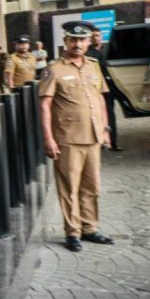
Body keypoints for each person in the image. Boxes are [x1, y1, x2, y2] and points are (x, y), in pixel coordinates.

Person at [38, 21, 115, 253]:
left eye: (82, 40)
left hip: (93, 136)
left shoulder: (93, 66)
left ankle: (89, 228)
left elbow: (100, 98)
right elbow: (45, 106)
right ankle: (73, 232)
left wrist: (105, 129)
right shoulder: (54, 69)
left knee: (92, 186)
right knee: (69, 187)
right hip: (68, 138)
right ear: (66, 41)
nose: (78, 44)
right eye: (73, 39)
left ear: (89, 42)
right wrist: (48, 138)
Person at [86, 27, 120, 151]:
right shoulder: (87, 53)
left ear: (101, 36)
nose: (96, 38)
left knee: (110, 115)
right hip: (95, 89)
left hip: (109, 88)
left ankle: (113, 142)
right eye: (93, 36)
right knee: (94, 115)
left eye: (98, 35)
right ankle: (98, 141)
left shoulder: (109, 50)